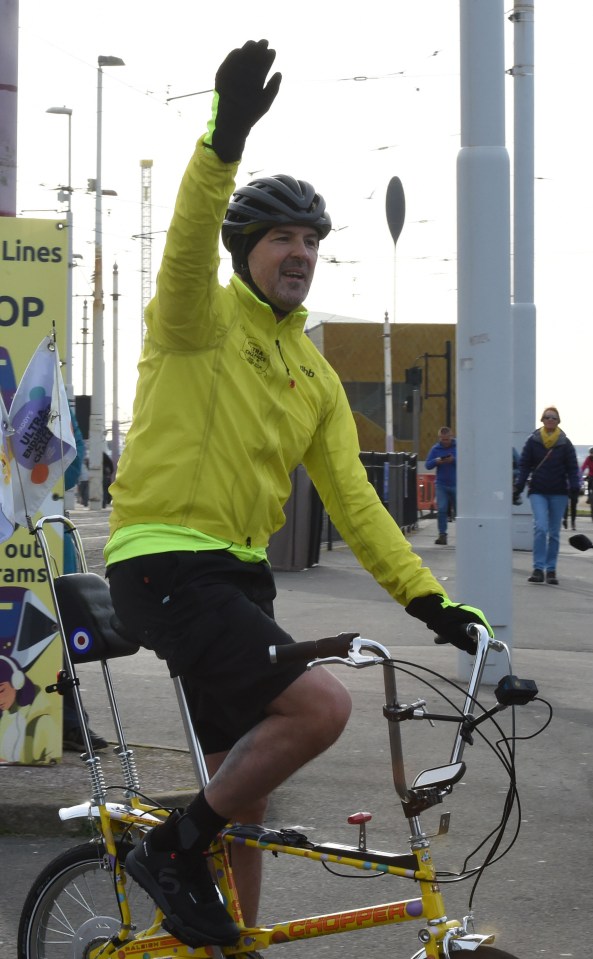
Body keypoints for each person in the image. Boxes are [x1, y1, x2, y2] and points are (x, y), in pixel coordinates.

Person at [104, 39, 492, 950]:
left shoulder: (310, 372)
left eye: (313, 242)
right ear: (248, 249)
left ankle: (229, 935)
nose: (301, 254)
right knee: (318, 708)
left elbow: (356, 502)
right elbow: (191, 231)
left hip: (238, 579)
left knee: (248, 780)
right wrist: (224, 133)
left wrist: (435, 605)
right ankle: (170, 850)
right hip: (163, 561)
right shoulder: (194, 318)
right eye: (284, 237)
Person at [62, 406, 108, 752]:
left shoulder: (48, 381)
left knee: (54, 636)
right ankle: (71, 722)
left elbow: (68, 462)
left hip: (39, 534)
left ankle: (70, 721)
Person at [514, 406, 580, 585]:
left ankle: (551, 570)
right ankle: (538, 568)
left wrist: (575, 486)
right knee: (540, 528)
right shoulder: (533, 441)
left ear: (559, 421)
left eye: (554, 418)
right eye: (547, 417)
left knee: (554, 533)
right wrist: (519, 486)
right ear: (542, 420)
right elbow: (525, 465)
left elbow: (573, 468)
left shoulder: (565, 443)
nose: (550, 420)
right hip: (538, 491)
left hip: (559, 492)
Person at [425, 427, 457, 545]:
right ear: (439, 438)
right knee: (442, 509)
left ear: (451, 437)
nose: (445, 442)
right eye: (443, 439)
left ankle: (464, 534)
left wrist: (453, 460)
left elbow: (466, 461)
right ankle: (442, 535)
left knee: (460, 511)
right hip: (441, 484)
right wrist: (436, 461)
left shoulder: (458, 447)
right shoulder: (435, 449)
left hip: (456, 484)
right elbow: (428, 465)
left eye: (447, 439)